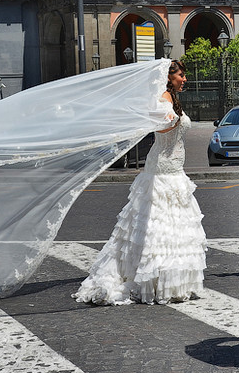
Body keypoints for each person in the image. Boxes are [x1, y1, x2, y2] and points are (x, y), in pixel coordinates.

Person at [72, 60, 207, 305]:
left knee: (175, 224)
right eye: (181, 75)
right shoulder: (162, 102)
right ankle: (151, 277)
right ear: (169, 78)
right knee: (158, 223)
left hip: (175, 170)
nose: (185, 79)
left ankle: (170, 278)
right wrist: (170, 120)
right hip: (160, 171)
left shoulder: (171, 100)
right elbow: (162, 128)